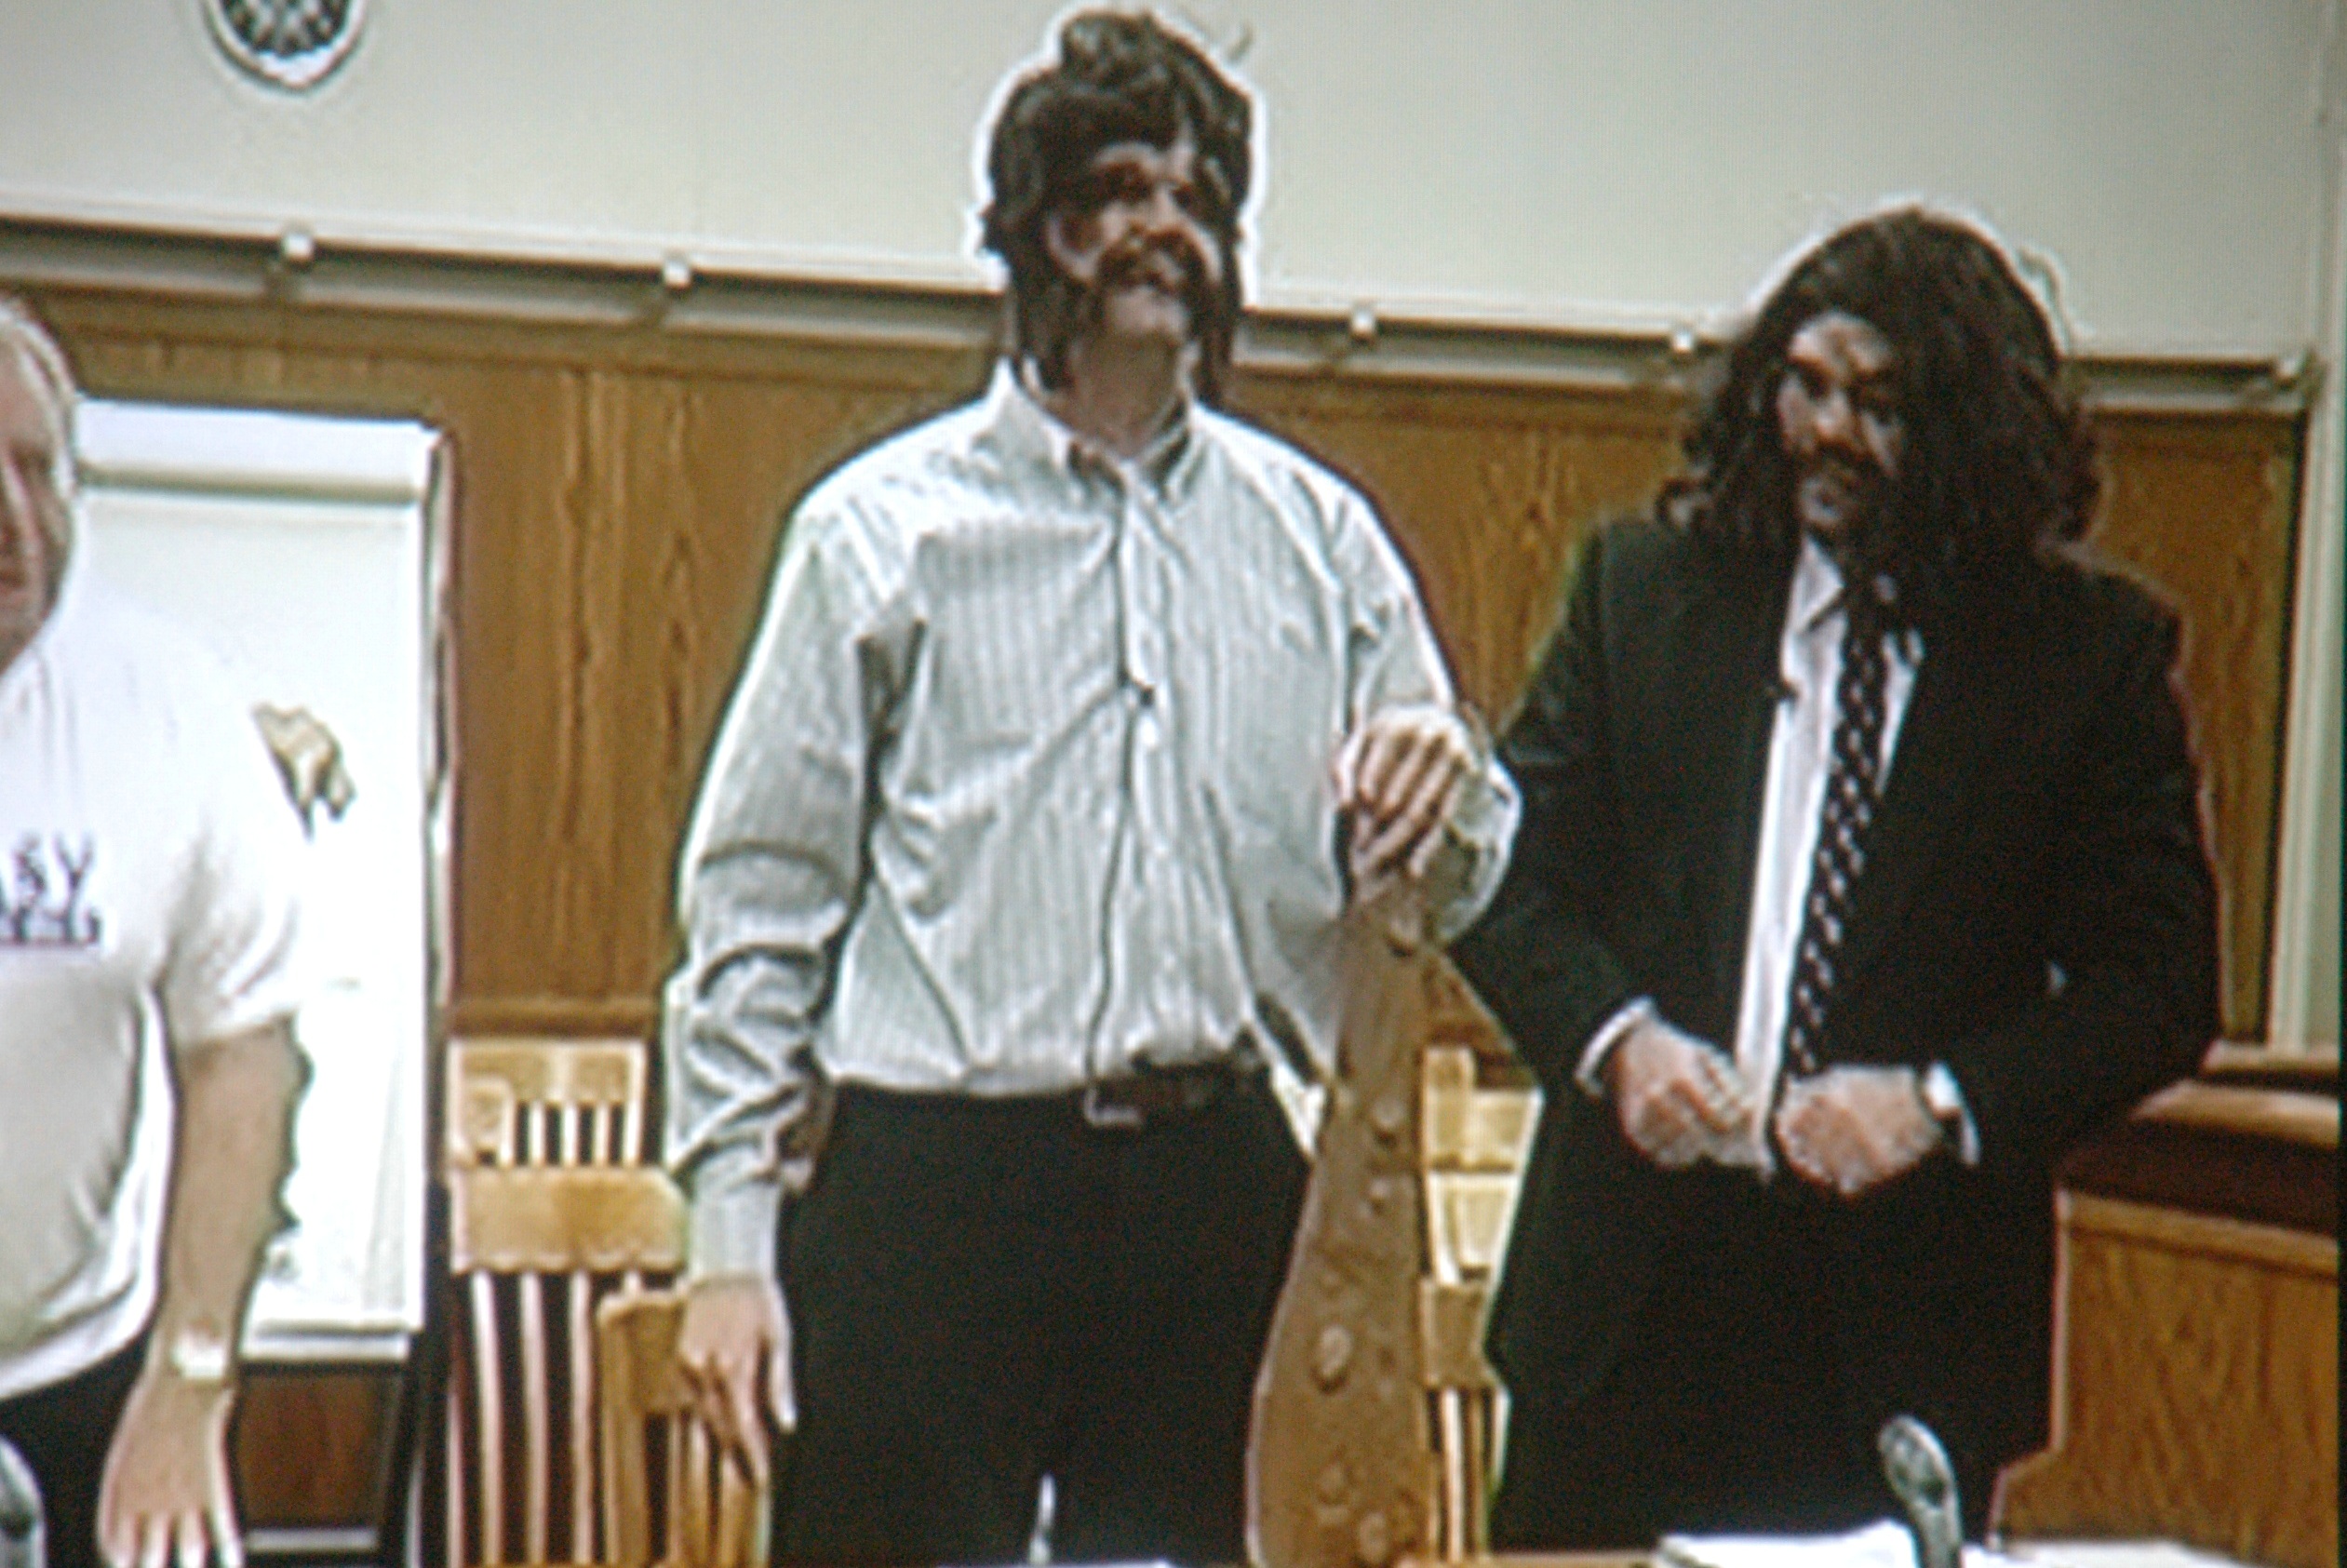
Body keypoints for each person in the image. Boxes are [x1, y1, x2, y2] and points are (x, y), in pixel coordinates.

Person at [661, 13, 1518, 1566]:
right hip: (931, 1188)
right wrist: (728, 1244)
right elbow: (756, 907)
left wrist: (1445, 777)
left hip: (1215, 1184)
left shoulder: (1319, 541)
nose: (1161, 229)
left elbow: (1466, 870)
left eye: (1197, 200)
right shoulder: (877, 536)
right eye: (1118, 190)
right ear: (1031, 229)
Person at [1451, 208, 2218, 1548]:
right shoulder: (1643, 596)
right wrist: (1618, 1043)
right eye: (1803, 386)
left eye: (1879, 405)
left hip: (1897, 1330)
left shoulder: (2081, 661)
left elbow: (2157, 987)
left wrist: (1937, 1102)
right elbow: (1498, 876)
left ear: (1975, 432)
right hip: (1630, 1308)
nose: (1826, 434)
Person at [0, 297, 308, 1568]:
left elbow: (239, 1052)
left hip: (81, 1373)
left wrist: (190, 1379)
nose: (11, 518)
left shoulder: (169, 705)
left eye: (36, 470)